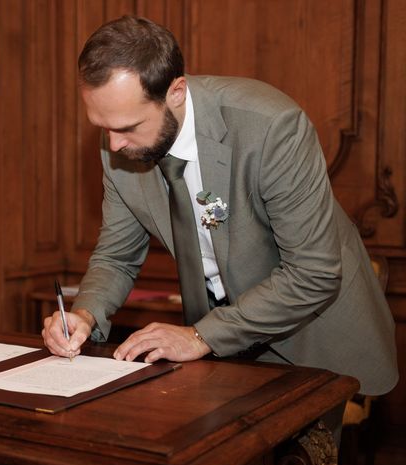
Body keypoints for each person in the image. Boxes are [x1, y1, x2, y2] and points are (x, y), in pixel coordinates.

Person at [42, 15, 398, 404]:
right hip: (216, 348)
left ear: (176, 92)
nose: (113, 145)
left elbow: (313, 272)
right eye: (102, 126)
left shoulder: (271, 127)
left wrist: (200, 335)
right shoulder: (120, 140)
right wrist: (85, 315)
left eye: (127, 126)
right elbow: (116, 255)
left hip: (311, 341)